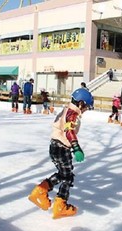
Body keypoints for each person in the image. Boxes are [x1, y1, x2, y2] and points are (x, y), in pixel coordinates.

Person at [27, 88, 94, 219]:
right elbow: (69, 131)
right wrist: (76, 148)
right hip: (62, 149)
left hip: (54, 146)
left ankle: (40, 190)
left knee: (63, 174)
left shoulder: (67, 110)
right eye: (86, 106)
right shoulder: (72, 114)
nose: (86, 109)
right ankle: (60, 205)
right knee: (68, 177)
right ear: (80, 103)